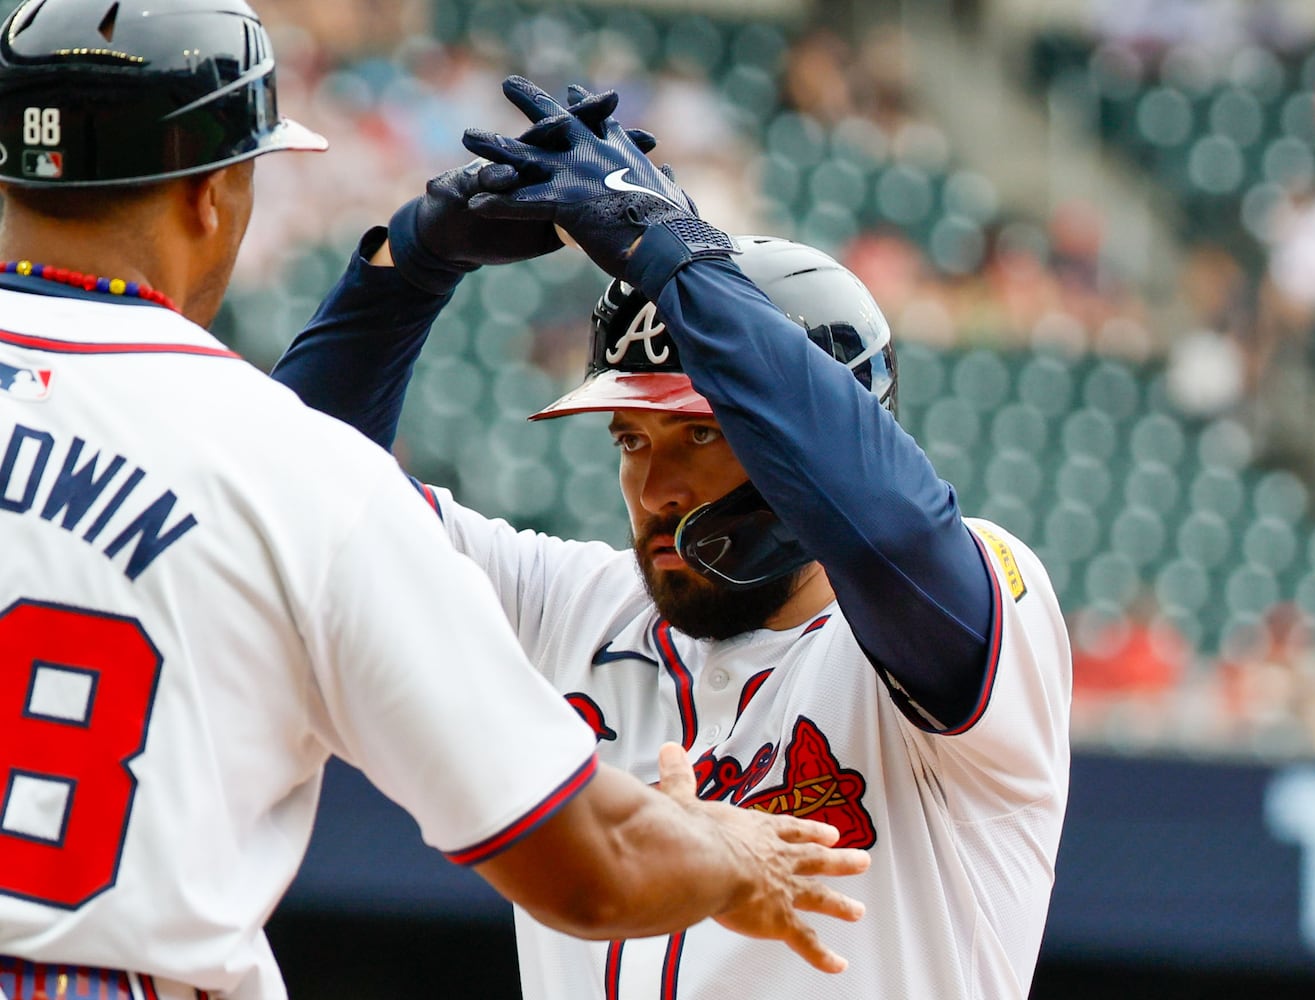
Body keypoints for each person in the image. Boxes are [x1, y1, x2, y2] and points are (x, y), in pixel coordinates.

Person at [0, 8, 872, 1000]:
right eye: (631, 434)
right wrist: (726, 854)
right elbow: (594, 869)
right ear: (213, 195)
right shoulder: (274, 462)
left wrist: (405, 266)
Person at [274, 77, 1072, 999]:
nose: (654, 488)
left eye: (700, 434)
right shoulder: (567, 606)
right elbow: (301, 501)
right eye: (630, 439)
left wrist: (676, 258)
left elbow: (889, 524)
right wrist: (403, 274)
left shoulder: (967, 610)